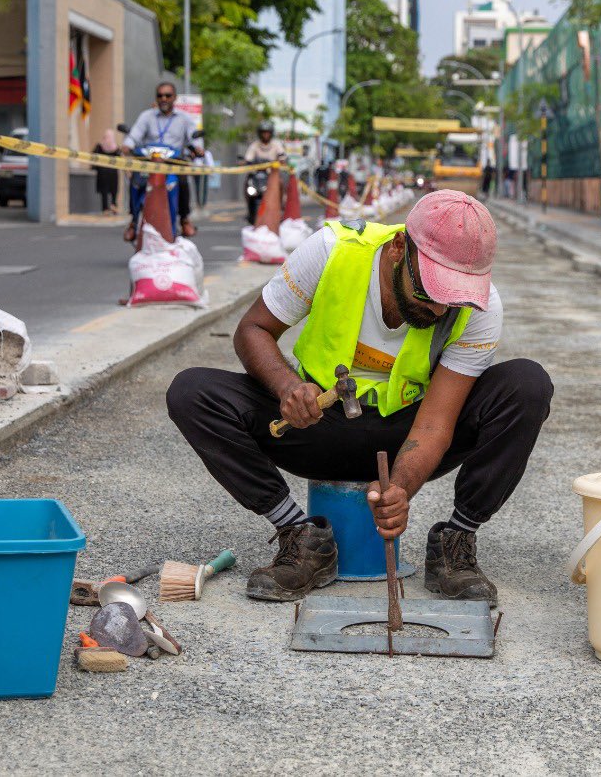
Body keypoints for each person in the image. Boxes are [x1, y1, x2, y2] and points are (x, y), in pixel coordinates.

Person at [166, 190, 552, 605]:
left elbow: (435, 425)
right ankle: (302, 537)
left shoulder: (480, 308)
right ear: (398, 249)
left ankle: (454, 544)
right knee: (193, 392)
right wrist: (287, 388)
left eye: (453, 297)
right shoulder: (333, 251)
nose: (440, 311)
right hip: (316, 429)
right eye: (430, 291)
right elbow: (253, 330)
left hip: (408, 435)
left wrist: (400, 489)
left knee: (526, 385)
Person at [124, 81, 200, 238]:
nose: (163, 99)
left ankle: (184, 219)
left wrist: (197, 148)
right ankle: (133, 221)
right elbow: (135, 134)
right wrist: (127, 145)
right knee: (135, 182)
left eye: (168, 95)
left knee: (183, 182)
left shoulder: (184, 119)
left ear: (175, 98)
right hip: (149, 162)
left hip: (173, 163)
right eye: (160, 96)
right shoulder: (146, 116)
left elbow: (194, 138)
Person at [242, 122, 285, 224]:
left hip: (271, 175)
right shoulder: (255, 145)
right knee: (247, 184)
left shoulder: (276, 145)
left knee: (281, 183)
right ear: (259, 134)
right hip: (256, 175)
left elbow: (282, 156)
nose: (265, 135)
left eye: (267, 133)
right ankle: (249, 209)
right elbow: (248, 158)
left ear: (271, 134)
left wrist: (281, 160)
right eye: (263, 133)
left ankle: (280, 206)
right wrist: (245, 162)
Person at [93, 130, 121, 214]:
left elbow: (93, 157)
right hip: (113, 172)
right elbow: (120, 160)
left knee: (104, 191)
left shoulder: (100, 146)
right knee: (113, 190)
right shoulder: (116, 148)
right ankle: (113, 204)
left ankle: (105, 208)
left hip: (102, 172)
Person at [191, 129, 212, 207]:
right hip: (196, 172)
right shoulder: (192, 151)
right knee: (198, 189)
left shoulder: (206, 153)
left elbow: (209, 163)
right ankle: (199, 204)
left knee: (203, 189)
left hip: (204, 172)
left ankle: (202, 204)